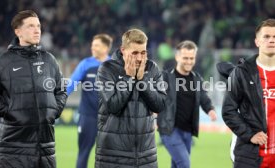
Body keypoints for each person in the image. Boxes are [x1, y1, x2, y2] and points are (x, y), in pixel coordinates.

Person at [0, 10, 67, 168]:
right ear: (18, 31)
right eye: (30, 26)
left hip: (46, 149)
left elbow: (61, 89)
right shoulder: (4, 62)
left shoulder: (49, 59)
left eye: (38, 26)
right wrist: (9, 111)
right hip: (13, 150)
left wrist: (53, 111)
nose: (37, 30)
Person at [95, 28, 166, 168]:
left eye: (143, 52)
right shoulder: (107, 69)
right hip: (113, 156)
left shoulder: (152, 68)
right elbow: (113, 106)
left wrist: (142, 80)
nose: (139, 58)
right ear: (123, 50)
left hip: (146, 156)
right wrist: (129, 78)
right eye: (134, 53)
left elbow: (160, 105)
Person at [222, 18, 275, 168]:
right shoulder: (241, 73)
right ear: (257, 41)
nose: (271, 40)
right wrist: (250, 135)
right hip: (251, 156)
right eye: (266, 36)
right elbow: (228, 110)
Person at [157, 40, 217, 168]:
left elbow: (203, 97)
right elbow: (155, 98)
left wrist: (210, 109)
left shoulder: (197, 78)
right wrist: (152, 115)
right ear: (177, 57)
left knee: (177, 164)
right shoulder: (166, 77)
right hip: (169, 129)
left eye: (191, 58)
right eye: (185, 58)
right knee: (184, 163)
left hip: (188, 131)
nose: (189, 61)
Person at [66, 34, 113, 168]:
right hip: (88, 116)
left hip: (109, 118)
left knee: (108, 155)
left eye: (96, 45)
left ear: (105, 48)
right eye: (92, 45)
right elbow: (71, 85)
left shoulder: (114, 66)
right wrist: (58, 101)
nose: (92, 47)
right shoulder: (85, 64)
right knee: (84, 152)